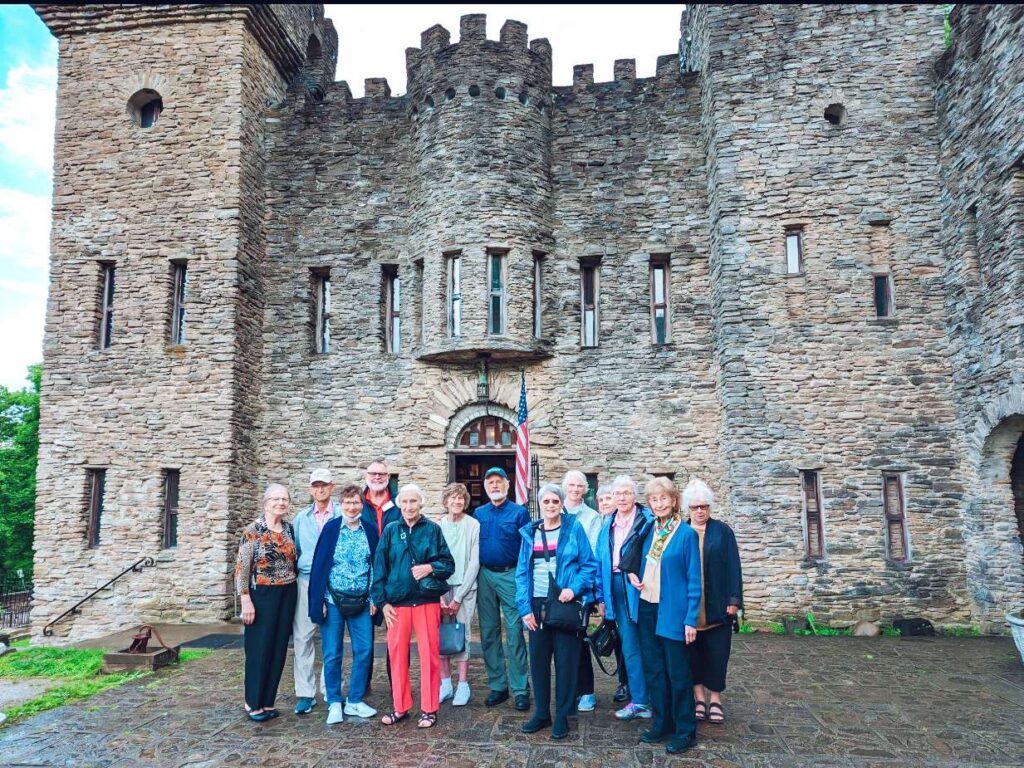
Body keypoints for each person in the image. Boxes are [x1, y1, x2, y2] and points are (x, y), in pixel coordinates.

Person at [516, 484, 598, 740]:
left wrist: (573, 589)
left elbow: (589, 566)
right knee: (539, 663)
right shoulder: (530, 532)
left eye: (555, 501)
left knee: (566, 662)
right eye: (546, 501)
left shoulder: (574, 529)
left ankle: (563, 715)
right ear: (540, 504)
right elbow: (521, 573)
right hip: (537, 605)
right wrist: (524, 608)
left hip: (565, 603)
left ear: (561, 503)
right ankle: (542, 713)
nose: (550, 505)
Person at [371, 483, 455, 729]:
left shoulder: (432, 530)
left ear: (421, 504)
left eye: (413, 502)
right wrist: (382, 601)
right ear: (399, 505)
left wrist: (430, 568)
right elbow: (379, 569)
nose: (409, 506)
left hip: (426, 602)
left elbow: (448, 564)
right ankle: (400, 706)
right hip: (397, 605)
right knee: (397, 656)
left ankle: (429, 708)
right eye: (405, 502)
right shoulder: (390, 531)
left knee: (429, 655)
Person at [630, 476, 702, 754]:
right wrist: (636, 576)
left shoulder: (686, 534)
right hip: (647, 607)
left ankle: (686, 730)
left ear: (674, 501)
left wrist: (690, 619)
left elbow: (694, 580)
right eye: (654, 499)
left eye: (663, 499)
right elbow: (640, 562)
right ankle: (662, 723)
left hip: (673, 612)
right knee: (655, 671)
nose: (659, 504)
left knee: (678, 673)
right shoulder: (650, 531)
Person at [307, 484, 380, 724]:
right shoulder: (330, 530)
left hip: (361, 601)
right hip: (334, 600)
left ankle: (355, 700)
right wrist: (321, 601)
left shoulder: (369, 530)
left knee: (364, 651)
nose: (352, 507)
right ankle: (335, 702)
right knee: (332, 653)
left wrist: (373, 598)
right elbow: (320, 567)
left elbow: (375, 567)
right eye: (347, 503)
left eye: (356, 502)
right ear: (341, 504)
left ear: (362, 504)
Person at [234, 483, 298, 722]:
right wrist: (245, 600)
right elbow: (242, 568)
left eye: (284, 499)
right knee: (259, 649)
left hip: (287, 593)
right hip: (261, 594)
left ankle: (268, 700)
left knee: (278, 647)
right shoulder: (254, 530)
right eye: (275, 499)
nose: (280, 503)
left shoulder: (289, 529)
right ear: (265, 502)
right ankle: (253, 702)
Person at [683, 478, 742, 726]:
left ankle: (715, 699)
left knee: (717, 655)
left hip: (718, 606)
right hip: (689, 610)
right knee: (693, 656)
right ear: (688, 508)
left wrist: (734, 600)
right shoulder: (681, 532)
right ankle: (698, 698)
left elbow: (734, 567)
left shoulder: (722, 532)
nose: (700, 511)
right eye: (695, 507)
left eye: (704, 506)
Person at [595, 475, 653, 721]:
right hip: (616, 587)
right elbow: (600, 561)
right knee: (629, 645)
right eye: (618, 493)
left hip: (643, 586)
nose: (621, 497)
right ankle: (640, 701)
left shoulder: (647, 521)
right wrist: (601, 595)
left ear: (635, 496)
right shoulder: (607, 524)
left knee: (651, 643)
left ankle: (658, 697)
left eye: (627, 493)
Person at [474, 467, 532, 711]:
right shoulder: (478, 513)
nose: (495, 486)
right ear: (486, 487)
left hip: (510, 575)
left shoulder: (519, 514)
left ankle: (520, 688)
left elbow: (528, 548)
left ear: (507, 485)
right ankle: (498, 685)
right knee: (488, 632)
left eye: (499, 482)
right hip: (485, 574)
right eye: (490, 483)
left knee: (515, 631)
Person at [291, 468, 341, 716]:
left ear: (332, 487)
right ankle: (305, 693)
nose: (320, 490)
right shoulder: (301, 519)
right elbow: (297, 551)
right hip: (307, 581)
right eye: (316, 486)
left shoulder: (342, 514)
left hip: (334, 581)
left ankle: (330, 689)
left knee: (332, 639)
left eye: (324, 485)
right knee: (303, 637)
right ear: (310, 489)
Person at [561, 470, 602, 713]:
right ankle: (568, 689)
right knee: (561, 641)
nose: (575, 489)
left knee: (578, 638)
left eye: (579, 486)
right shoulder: (557, 509)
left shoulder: (592, 517)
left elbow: (593, 554)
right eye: (571, 485)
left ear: (585, 490)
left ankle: (586, 691)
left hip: (580, 587)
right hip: (558, 589)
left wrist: (588, 590)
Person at [438, 482, 481, 707]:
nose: (457, 502)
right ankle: (445, 684)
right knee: (441, 636)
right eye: (453, 498)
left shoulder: (473, 525)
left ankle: (463, 685)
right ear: (446, 501)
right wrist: (440, 594)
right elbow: (431, 559)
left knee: (462, 636)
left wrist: (458, 597)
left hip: (465, 589)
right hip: (441, 589)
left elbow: (474, 562)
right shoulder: (438, 525)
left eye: (461, 498)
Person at [361, 458, 400, 690]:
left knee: (395, 639)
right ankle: (362, 686)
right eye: (373, 474)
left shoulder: (397, 504)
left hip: (393, 577)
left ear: (388, 478)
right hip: (364, 578)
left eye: (382, 474)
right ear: (366, 476)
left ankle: (397, 686)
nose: (377, 478)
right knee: (364, 639)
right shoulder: (356, 503)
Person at [595, 482, 630, 703]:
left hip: (622, 585)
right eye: (601, 500)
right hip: (603, 586)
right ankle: (624, 681)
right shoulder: (601, 525)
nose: (605, 503)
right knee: (616, 637)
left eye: (609, 498)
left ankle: (628, 682)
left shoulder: (622, 524)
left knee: (628, 636)